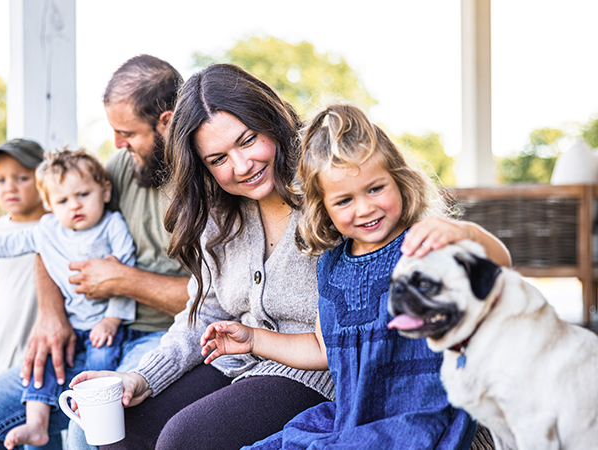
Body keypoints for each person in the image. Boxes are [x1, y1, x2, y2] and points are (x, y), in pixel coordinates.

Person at [200, 104, 512, 449]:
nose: (364, 208)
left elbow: (501, 265)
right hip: (355, 418)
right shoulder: (333, 264)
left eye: (376, 189)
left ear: (399, 179)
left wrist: (464, 232)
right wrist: (254, 339)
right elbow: (321, 347)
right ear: (323, 208)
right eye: (345, 200)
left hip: (419, 419)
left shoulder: (423, 245)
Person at [69, 63, 334, 450]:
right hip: (239, 362)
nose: (242, 167)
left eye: (248, 141)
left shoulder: (324, 188)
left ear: (272, 122)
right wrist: (142, 378)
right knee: (120, 426)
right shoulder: (219, 211)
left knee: (184, 439)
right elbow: (203, 313)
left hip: (314, 373)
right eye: (218, 159)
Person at [0, 54, 190, 450]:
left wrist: (124, 281)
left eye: (126, 132)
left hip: (160, 342)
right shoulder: (123, 168)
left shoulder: (207, 181)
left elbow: (215, 302)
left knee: (86, 426)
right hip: (89, 333)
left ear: (166, 121)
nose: (117, 143)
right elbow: (55, 233)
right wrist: (51, 313)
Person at [0, 149, 138, 449]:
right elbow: (12, 241)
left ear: (105, 191)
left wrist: (112, 320)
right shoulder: (50, 229)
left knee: (100, 372)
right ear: (49, 204)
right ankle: (37, 424)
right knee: (45, 361)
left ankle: (92, 427)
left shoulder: (112, 225)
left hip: (107, 328)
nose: (74, 205)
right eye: (62, 200)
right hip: (73, 327)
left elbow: (127, 275)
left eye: (83, 194)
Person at [0, 139, 49, 379]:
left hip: (48, 360)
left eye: (21, 178)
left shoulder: (58, 228)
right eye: (0, 180)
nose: (10, 188)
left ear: (43, 177)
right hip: (4, 360)